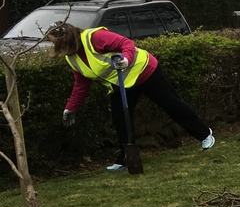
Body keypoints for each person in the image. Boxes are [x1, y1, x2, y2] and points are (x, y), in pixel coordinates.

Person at [47, 21, 214, 172]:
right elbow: (81, 84)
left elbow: (125, 43)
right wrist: (71, 107)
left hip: (144, 71)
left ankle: (204, 134)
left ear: (66, 39)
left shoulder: (94, 37)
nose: (56, 47)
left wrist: (126, 60)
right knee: (120, 120)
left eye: (56, 43)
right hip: (121, 85)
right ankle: (126, 158)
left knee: (170, 104)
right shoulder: (72, 58)